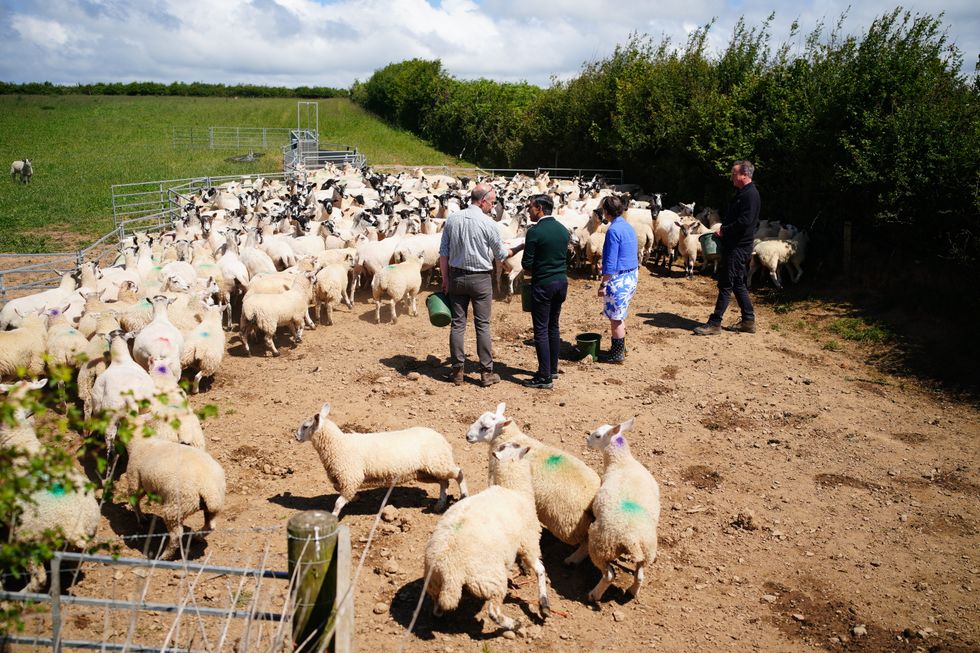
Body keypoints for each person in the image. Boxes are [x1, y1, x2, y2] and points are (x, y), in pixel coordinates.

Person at [439, 183, 522, 387]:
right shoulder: (489, 224)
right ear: (482, 201)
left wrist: (445, 278)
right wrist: (520, 246)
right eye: (491, 203)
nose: (492, 207)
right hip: (481, 279)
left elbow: (443, 253)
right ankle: (486, 373)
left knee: (458, 324)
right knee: (482, 325)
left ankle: (457, 372)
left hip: (457, 277)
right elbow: (501, 254)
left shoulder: (452, 220)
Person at [694, 160, 761, 335]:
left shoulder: (750, 195)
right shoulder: (742, 193)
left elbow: (745, 222)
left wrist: (724, 231)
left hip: (739, 246)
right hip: (736, 244)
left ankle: (715, 323)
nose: (731, 177)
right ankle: (748, 321)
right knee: (738, 283)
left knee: (726, 283)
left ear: (744, 175)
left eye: (734, 173)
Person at [520, 194, 569, 389]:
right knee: (553, 326)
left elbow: (527, 265)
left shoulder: (535, 231)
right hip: (561, 282)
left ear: (539, 208)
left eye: (530, 207)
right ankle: (553, 369)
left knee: (540, 329)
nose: (528, 211)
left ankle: (544, 376)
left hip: (543, 284)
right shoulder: (563, 229)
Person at [596, 194, 639, 363]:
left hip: (619, 279)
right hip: (631, 274)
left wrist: (603, 283)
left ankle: (617, 354)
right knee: (620, 315)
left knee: (615, 319)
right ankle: (622, 347)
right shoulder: (627, 226)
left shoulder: (613, 230)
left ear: (606, 212)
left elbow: (611, 261)